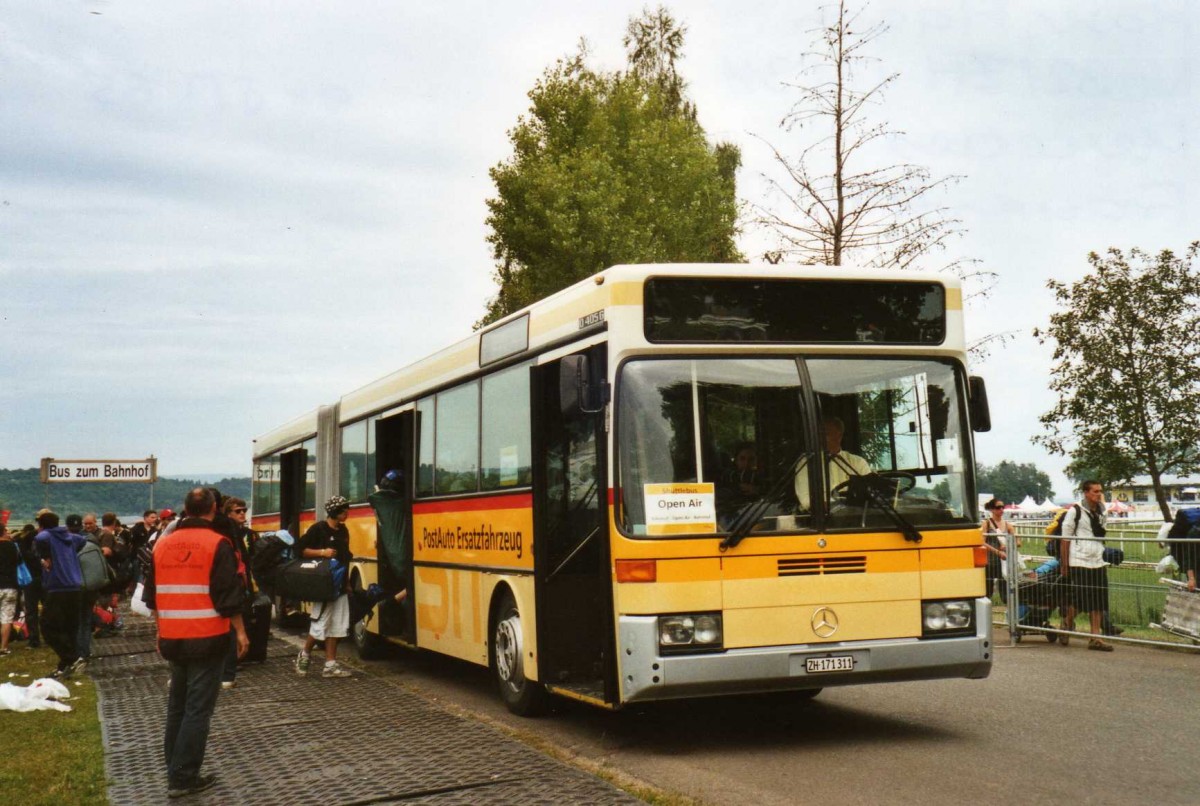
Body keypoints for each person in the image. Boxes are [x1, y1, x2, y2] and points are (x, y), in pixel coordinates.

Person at [142, 487, 248, 798]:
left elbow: (152, 596)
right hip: (207, 635)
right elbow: (229, 596)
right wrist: (240, 632)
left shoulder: (163, 544)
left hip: (173, 636)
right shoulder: (219, 543)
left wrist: (161, 630)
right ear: (214, 508)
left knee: (177, 706)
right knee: (198, 709)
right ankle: (184, 777)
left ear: (185, 509)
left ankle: (174, 767)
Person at [294, 495, 354, 679]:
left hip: (339, 584)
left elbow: (345, 558)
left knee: (337, 624)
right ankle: (304, 654)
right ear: (335, 512)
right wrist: (322, 552)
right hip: (322, 584)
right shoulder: (318, 529)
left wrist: (348, 583)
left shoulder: (343, 531)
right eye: (344, 511)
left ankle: (330, 664)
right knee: (320, 622)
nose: (347, 514)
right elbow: (300, 549)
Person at [34, 510, 88, 678]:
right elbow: (83, 540)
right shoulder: (70, 537)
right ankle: (65, 666)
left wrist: (46, 556)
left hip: (58, 587)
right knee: (69, 627)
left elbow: (40, 538)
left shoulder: (45, 537)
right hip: (75, 586)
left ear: (41, 525)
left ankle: (72, 658)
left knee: (47, 626)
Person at [1060, 480, 1113, 651]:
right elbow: (1065, 539)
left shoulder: (1102, 511)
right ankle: (1067, 622)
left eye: (1100, 491)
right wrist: (1064, 564)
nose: (1099, 494)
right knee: (1082, 599)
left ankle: (1095, 638)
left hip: (1097, 559)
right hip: (1079, 559)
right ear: (1086, 492)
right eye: (1095, 491)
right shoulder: (1074, 511)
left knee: (1098, 599)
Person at [794, 414, 872, 512]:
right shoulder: (807, 463)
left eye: (825, 433)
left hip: (855, 520)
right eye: (819, 434)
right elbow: (806, 500)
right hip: (820, 522)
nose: (820, 437)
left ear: (839, 436)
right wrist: (836, 507)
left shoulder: (858, 463)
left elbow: (869, 494)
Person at [980, 498, 1014, 602]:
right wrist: (997, 552)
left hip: (1003, 562)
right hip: (990, 562)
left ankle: (1009, 613)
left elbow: (1018, 542)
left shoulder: (1008, 525)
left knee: (1005, 592)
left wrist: (1008, 545)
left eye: (1003, 507)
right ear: (992, 509)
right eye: (998, 507)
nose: (1001, 509)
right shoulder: (986, 523)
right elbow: (982, 541)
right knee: (987, 592)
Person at [16, 524, 43, 648]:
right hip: (43, 576)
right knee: (48, 607)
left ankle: (34, 639)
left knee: (31, 610)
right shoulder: (45, 538)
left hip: (29, 578)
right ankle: (50, 634)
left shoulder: (22, 541)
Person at [0, 527, 21, 655]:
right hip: (10, 585)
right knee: (6, 618)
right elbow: (18, 562)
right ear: (3, 532)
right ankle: (3, 647)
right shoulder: (12, 546)